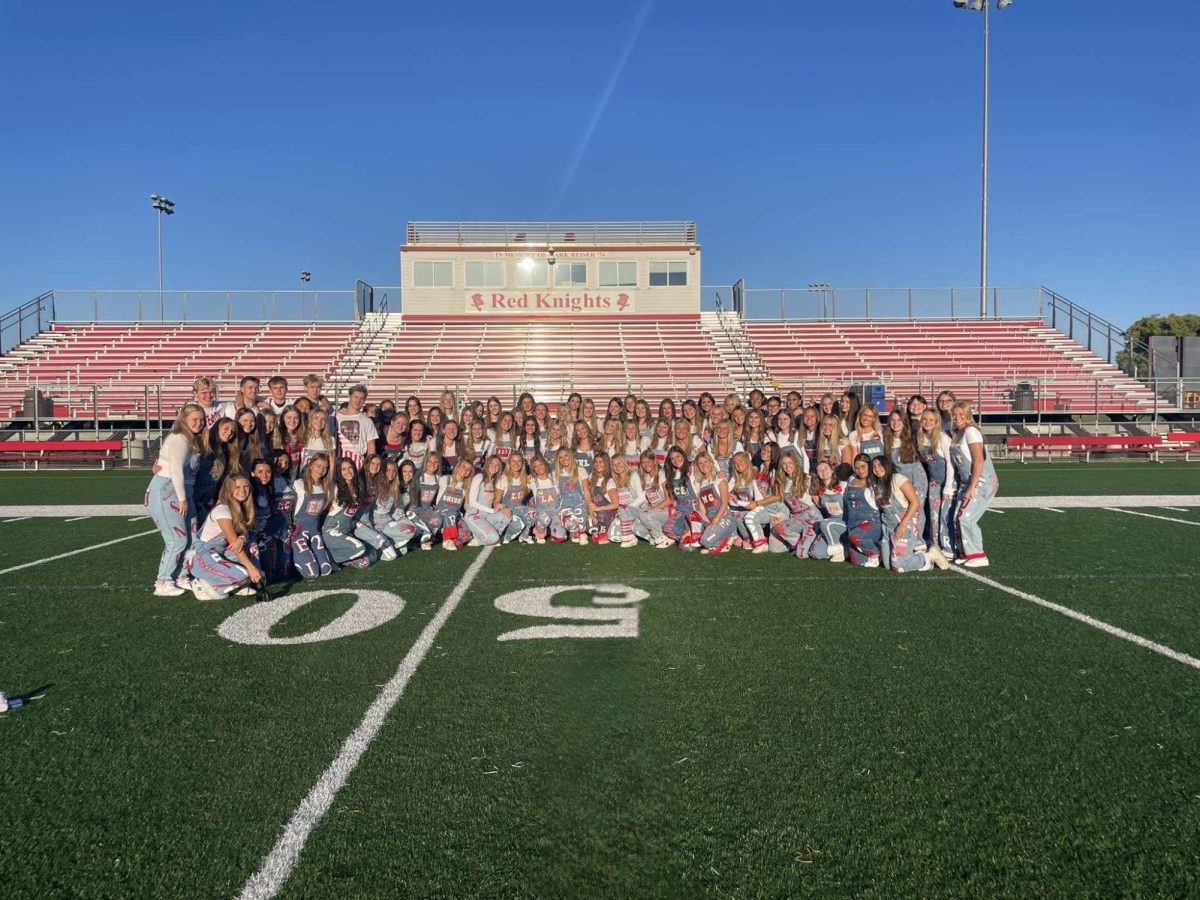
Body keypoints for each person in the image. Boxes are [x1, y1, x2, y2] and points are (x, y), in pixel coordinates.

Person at [146, 403, 206, 596]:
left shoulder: (191, 439)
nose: (199, 423)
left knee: (193, 537)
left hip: (180, 490)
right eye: (194, 419)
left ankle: (182, 575)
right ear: (184, 420)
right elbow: (176, 472)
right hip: (168, 490)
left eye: (201, 419)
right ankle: (163, 580)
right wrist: (182, 499)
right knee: (177, 540)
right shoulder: (180, 438)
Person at [187, 474, 264, 600]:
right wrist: (251, 568)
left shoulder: (241, 506)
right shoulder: (222, 510)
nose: (242, 490)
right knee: (245, 575)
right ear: (228, 489)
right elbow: (234, 544)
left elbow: (243, 534)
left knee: (251, 549)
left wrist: (242, 538)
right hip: (203, 555)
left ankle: (234, 583)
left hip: (220, 552)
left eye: (246, 486)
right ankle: (200, 582)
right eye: (237, 487)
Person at [872, 455, 949, 573]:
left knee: (898, 566)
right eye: (874, 466)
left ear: (887, 466)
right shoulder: (878, 485)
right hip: (888, 527)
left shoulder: (898, 478)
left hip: (904, 526)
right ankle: (913, 557)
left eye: (880, 465)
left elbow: (915, 502)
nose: (877, 469)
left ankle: (928, 557)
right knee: (887, 565)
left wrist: (902, 525)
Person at [948, 401, 999, 567]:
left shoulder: (971, 431)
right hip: (966, 480)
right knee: (957, 517)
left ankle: (978, 554)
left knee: (965, 517)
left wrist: (973, 486)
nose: (957, 418)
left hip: (980, 481)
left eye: (961, 415)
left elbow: (978, 460)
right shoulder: (957, 432)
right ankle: (965, 552)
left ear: (968, 415)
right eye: (954, 415)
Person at [323, 457, 393, 567]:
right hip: (333, 530)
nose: (348, 471)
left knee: (373, 555)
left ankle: (342, 557)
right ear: (339, 472)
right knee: (360, 550)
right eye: (343, 469)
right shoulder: (335, 487)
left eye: (350, 467)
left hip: (348, 529)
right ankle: (331, 556)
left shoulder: (358, 487)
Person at [768, 450, 823, 557]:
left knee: (801, 555)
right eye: (784, 464)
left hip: (811, 518)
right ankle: (801, 542)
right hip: (797, 518)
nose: (787, 466)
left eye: (790, 463)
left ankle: (811, 542)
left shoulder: (807, 479)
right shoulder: (783, 482)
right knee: (778, 529)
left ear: (795, 463)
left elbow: (818, 501)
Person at [917, 408, 956, 557]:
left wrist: (948, 486)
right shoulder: (920, 438)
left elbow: (950, 464)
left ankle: (949, 547)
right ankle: (935, 545)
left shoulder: (942, 438)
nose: (927, 422)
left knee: (945, 516)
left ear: (936, 422)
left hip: (948, 483)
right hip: (934, 483)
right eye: (925, 419)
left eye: (931, 420)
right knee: (934, 516)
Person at [291, 453, 336, 578]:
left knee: (326, 569)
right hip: (299, 530)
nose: (321, 470)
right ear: (310, 465)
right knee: (312, 573)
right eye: (318, 466)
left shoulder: (325, 487)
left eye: (325, 468)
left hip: (315, 530)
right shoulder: (298, 484)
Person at [366, 455, 420, 553]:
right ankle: (386, 543)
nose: (391, 473)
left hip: (388, 521)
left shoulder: (394, 487)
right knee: (393, 554)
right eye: (388, 470)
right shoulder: (376, 485)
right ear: (383, 471)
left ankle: (390, 541)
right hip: (376, 524)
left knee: (412, 530)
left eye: (393, 470)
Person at [693, 451, 736, 555]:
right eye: (700, 463)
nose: (704, 465)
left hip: (723, 518)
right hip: (710, 518)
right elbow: (702, 510)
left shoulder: (720, 479)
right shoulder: (701, 484)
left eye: (706, 461)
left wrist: (715, 521)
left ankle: (730, 536)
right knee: (698, 538)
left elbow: (725, 503)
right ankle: (720, 540)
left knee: (705, 541)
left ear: (711, 463)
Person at [844, 453, 882, 567]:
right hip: (853, 524)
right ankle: (870, 547)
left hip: (871, 524)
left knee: (856, 536)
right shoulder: (851, 479)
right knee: (857, 562)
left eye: (863, 466)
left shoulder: (875, 482)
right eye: (856, 467)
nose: (859, 470)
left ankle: (876, 553)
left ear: (869, 466)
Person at [464, 455, 510, 547]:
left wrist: (502, 507)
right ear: (487, 464)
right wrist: (492, 510)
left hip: (487, 516)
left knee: (508, 515)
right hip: (474, 516)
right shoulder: (479, 477)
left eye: (497, 465)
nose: (494, 466)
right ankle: (477, 538)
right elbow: (472, 502)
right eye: (492, 463)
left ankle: (482, 533)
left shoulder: (494, 480)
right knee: (494, 539)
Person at [663, 447, 703, 550]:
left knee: (685, 548)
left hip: (694, 508)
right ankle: (687, 537)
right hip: (680, 508)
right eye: (672, 459)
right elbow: (672, 497)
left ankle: (695, 534)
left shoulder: (693, 468)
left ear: (683, 456)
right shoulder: (671, 474)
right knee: (668, 528)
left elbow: (708, 468)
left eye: (678, 456)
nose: (675, 460)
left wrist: (721, 474)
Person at [808, 461, 847, 563]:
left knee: (825, 523)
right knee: (815, 553)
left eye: (826, 468)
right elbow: (820, 505)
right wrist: (814, 496)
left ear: (832, 470)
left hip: (844, 523)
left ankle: (838, 551)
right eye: (820, 470)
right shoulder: (820, 491)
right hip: (831, 525)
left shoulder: (843, 485)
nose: (823, 471)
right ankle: (842, 546)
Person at [728, 450, 765, 552]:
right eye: (735, 463)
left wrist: (737, 501)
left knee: (737, 512)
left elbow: (757, 503)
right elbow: (725, 491)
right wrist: (729, 497)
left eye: (741, 461)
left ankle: (754, 538)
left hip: (759, 512)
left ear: (747, 461)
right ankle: (743, 537)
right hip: (745, 510)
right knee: (730, 511)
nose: (738, 464)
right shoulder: (736, 477)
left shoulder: (755, 476)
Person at [336, 384, 379, 468]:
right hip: (338, 462)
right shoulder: (335, 417)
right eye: (355, 397)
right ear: (349, 396)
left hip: (357, 464)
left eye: (361, 398)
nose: (358, 401)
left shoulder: (367, 421)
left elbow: (371, 447)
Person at [554, 447, 589, 544]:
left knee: (580, 512)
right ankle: (575, 531)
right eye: (560, 457)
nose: (564, 459)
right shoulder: (556, 474)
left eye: (566, 455)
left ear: (570, 455)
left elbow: (586, 492)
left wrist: (591, 508)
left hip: (579, 503)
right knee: (569, 523)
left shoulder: (581, 470)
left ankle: (582, 532)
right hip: (565, 505)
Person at [497, 453, 534, 543]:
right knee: (518, 524)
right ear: (509, 463)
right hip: (507, 510)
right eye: (513, 461)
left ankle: (524, 535)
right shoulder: (503, 479)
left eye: (519, 461)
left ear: (522, 463)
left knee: (534, 513)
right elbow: (496, 502)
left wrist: (533, 477)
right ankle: (504, 536)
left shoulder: (526, 479)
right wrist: (503, 508)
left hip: (519, 509)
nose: (516, 464)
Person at [585, 452, 618, 544]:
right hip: (596, 511)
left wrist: (598, 509)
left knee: (602, 514)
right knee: (590, 525)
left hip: (607, 511)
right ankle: (596, 531)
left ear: (606, 464)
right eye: (596, 462)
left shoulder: (609, 481)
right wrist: (592, 513)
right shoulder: (591, 477)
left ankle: (606, 532)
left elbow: (615, 504)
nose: (597, 464)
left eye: (601, 462)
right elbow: (590, 499)